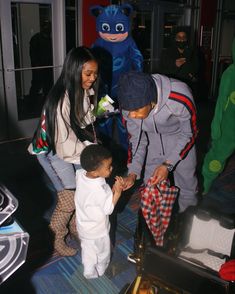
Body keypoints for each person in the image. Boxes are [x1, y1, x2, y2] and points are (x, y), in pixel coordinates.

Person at [28, 46, 100, 256]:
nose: (92, 78)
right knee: (68, 197)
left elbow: (82, 119)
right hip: (50, 151)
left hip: (69, 145)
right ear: (74, 71)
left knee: (83, 187)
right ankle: (56, 239)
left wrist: (95, 114)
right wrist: (90, 151)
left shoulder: (81, 89)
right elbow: (64, 145)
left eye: (95, 74)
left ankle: (75, 226)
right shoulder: (61, 100)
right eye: (88, 74)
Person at [117, 71, 198, 213]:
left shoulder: (180, 96)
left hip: (180, 138)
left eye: (136, 110)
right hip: (151, 138)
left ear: (151, 100)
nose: (132, 115)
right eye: (129, 111)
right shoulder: (128, 109)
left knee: (187, 187)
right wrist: (133, 172)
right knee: (150, 186)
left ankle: (187, 225)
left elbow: (190, 133)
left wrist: (168, 164)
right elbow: (136, 140)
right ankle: (154, 228)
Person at [75, 144, 124, 279]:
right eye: (108, 167)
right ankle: (101, 269)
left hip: (83, 227)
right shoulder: (101, 189)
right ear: (95, 172)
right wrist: (117, 192)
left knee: (88, 250)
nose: (111, 168)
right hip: (98, 230)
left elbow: (97, 199)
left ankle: (89, 269)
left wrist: (111, 191)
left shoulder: (80, 175)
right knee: (103, 252)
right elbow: (108, 209)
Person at [202, 38, 235, 195]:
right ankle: (205, 185)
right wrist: (216, 127)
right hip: (229, 127)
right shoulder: (230, 74)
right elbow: (221, 103)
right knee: (216, 160)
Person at [159, 27, 199, 99]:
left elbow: (197, 69)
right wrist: (175, 65)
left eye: (184, 37)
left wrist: (192, 75)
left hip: (188, 87)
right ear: (175, 38)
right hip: (173, 88)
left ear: (187, 39)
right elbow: (163, 70)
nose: (181, 39)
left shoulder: (192, 52)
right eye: (179, 37)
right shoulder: (167, 53)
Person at [29, 20, 53, 100]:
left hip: (50, 66)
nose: (47, 28)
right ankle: (31, 104)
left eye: (48, 26)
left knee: (48, 85)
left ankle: (46, 102)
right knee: (36, 85)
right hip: (39, 67)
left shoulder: (51, 39)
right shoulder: (36, 38)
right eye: (45, 26)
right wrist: (36, 66)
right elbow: (33, 54)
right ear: (41, 27)